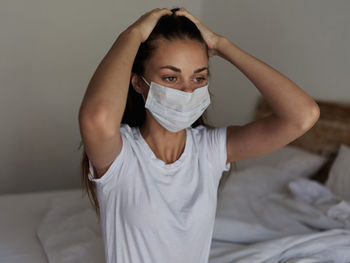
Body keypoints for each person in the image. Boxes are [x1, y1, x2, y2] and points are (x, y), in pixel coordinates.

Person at [78, 7, 320, 263]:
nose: (187, 91)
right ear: (138, 83)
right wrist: (133, 34)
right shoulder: (122, 156)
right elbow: (98, 118)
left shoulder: (210, 149)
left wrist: (222, 45)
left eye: (199, 78)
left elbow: (303, 116)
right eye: (171, 77)